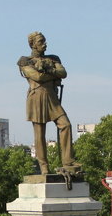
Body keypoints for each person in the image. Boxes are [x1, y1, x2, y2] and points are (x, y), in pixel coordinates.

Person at [18, 31, 80, 176]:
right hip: (36, 97)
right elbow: (37, 76)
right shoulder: (24, 61)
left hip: (51, 97)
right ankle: (44, 167)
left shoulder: (53, 58)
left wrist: (48, 68)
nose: (44, 44)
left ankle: (68, 162)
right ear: (32, 44)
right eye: (41, 42)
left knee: (66, 125)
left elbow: (63, 73)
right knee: (40, 135)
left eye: (44, 41)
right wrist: (52, 74)